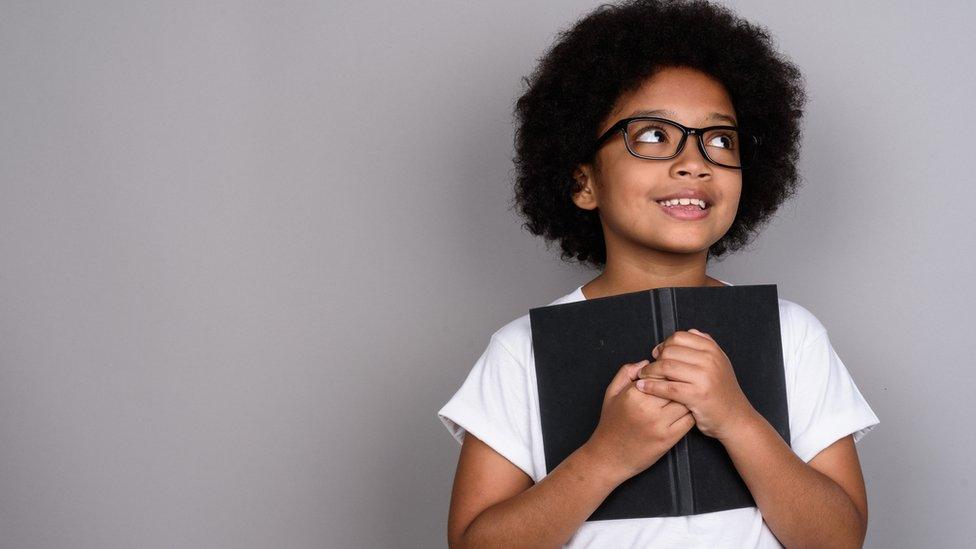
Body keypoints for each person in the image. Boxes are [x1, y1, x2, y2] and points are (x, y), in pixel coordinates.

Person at [436, 0, 880, 547]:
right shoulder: (521, 351)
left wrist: (738, 420)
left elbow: (839, 539)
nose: (694, 162)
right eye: (650, 135)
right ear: (584, 183)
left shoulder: (792, 334)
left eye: (720, 140)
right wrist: (606, 456)